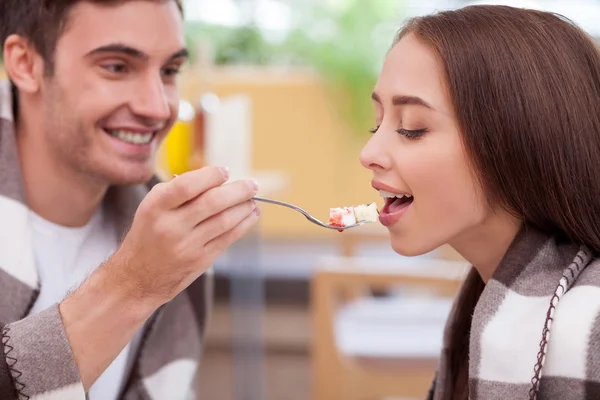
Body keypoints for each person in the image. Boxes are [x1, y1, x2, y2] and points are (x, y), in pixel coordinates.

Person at [0, 0, 261, 399]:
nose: (157, 107)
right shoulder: (158, 260)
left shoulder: (173, 242)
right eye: (117, 67)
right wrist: (133, 285)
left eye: (170, 71)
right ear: (25, 63)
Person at [360, 5, 600, 400]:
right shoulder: (482, 304)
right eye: (377, 122)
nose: (369, 151)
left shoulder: (588, 330)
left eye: (412, 128)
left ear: (517, 140)